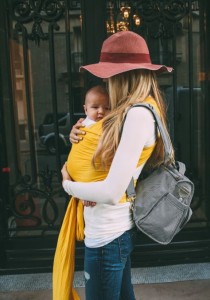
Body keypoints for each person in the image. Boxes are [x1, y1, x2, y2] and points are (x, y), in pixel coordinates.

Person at [54, 31, 174, 300]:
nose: (105, 81)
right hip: (113, 230)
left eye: (109, 75)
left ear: (124, 76)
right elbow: (105, 158)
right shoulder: (135, 110)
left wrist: (68, 184)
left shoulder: (137, 115)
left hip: (107, 234)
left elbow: (110, 191)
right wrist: (80, 134)